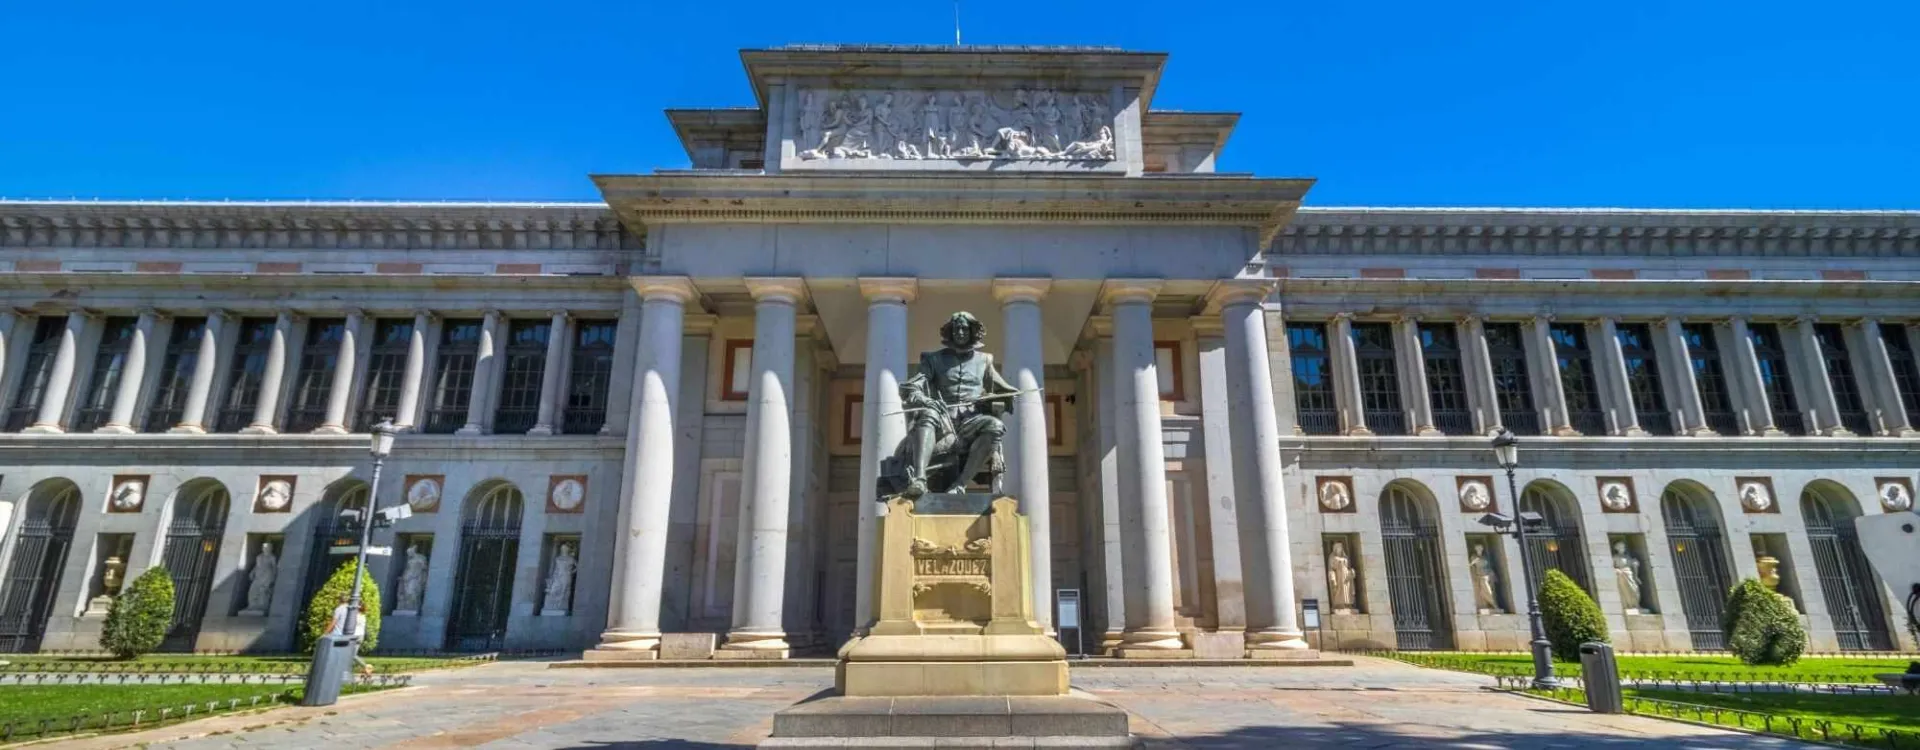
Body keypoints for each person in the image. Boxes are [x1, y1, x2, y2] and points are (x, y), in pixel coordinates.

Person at [327, 597, 376, 678]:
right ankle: (363, 671)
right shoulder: (362, 615)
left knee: (351, 655)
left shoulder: (354, 614)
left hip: (354, 636)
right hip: (360, 636)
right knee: (352, 655)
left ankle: (366, 666)